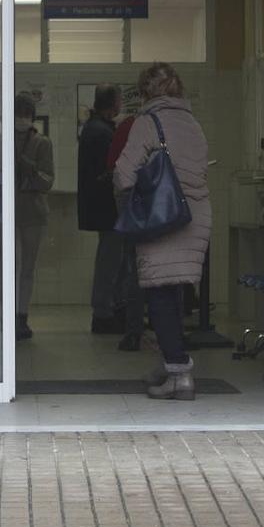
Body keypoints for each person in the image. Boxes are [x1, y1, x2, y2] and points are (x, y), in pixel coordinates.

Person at [113, 63, 211, 400]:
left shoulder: (147, 122)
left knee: (159, 296)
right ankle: (170, 363)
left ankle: (179, 375)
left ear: (144, 92)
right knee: (174, 294)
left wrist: (131, 196)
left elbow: (124, 174)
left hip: (161, 217)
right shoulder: (193, 122)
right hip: (194, 217)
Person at [78, 84, 125, 334]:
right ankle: (104, 313)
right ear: (112, 103)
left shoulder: (93, 128)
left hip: (100, 206)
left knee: (109, 258)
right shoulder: (102, 132)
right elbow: (111, 169)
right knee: (110, 261)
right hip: (108, 207)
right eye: (118, 100)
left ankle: (107, 309)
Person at [13, 92, 54, 341]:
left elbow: (47, 181)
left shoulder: (42, 143)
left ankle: (21, 316)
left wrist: (29, 167)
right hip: (7, 211)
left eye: (26, 114)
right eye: (18, 113)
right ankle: (11, 314)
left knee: (26, 267)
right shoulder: (0, 139)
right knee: (11, 267)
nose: (21, 119)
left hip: (32, 209)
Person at [107, 114, 144, 351]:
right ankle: (170, 335)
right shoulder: (175, 123)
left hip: (130, 202)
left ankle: (133, 330)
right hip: (161, 204)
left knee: (133, 265)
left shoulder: (128, 126)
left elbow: (114, 166)